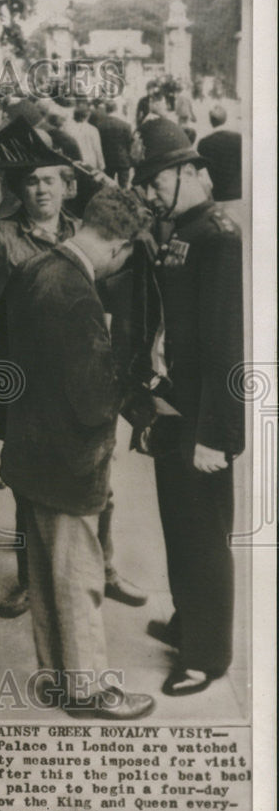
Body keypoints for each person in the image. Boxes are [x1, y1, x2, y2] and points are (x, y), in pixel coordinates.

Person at [0, 157, 147, 618]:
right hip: (29, 386)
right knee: (29, 484)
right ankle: (28, 580)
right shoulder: (5, 234)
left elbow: (132, 241)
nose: (41, 189)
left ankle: (105, 568)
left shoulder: (87, 231)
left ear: (67, 187)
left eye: (50, 180)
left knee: (100, 484)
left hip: (80, 378)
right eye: (32, 181)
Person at [0, 186, 156, 719]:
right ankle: (88, 690)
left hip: (29, 454)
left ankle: (57, 679)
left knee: (43, 577)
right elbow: (91, 402)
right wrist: (127, 385)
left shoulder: (35, 268)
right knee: (80, 578)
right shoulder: (79, 297)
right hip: (69, 462)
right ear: (118, 247)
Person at [133, 117, 244, 697]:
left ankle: (208, 654)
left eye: (155, 180)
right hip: (173, 409)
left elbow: (228, 348)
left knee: (203, 538)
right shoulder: (181, 230)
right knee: (180, 528)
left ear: (189, 172)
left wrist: (216, 435)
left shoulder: (217, 237)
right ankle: (186, 624)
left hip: (200, 420)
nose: (148, 191)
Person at [196, 105, 242, 203]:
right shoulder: (238, 138)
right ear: (225, 119)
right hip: (239, 194)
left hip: (218, 196)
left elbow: (201, 174)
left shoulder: (204, 143)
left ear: (210, 120)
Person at [97, 100, 134, 188]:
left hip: (107, 160)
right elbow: (130, 144)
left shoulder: (99, 125)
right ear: (116, 109)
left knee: (108, 187)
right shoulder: (125, 125)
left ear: (106, 110)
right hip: (123, 160)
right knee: (124, 187)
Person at [65, 99, 105, 171]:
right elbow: (97, 149)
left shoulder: (68, 129)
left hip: (76, 162)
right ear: (87, 115)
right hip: (91, 163)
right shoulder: (92, 129)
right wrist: (101, 165)